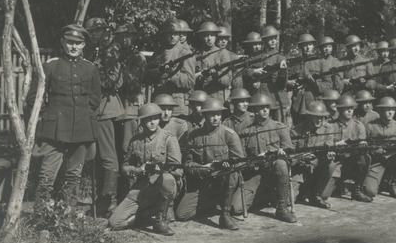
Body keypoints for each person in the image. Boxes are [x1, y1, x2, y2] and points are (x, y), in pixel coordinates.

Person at [26, 24, 101, 214]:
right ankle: (41, 215)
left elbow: (95, 99)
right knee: (47, 174)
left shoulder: (90, 69)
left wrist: (85, 115)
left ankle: (67, 215)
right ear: (62, 42)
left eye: (78, 43)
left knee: (74, 175)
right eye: (70, 42)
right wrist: (49, 114)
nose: (74, 47)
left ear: (84, 45)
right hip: (55, 129)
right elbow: (33, 97)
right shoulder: (50, 65)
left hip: (82, 128)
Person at [109, 103, 182, 235]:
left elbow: (178, 170)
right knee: (115, 223)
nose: (152, 122)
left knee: (167, 178)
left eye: (155, 118)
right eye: (148, 119)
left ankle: (160, 221)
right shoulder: (135, 141)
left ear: (159, 118)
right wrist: (139, 170)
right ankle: (149, 214)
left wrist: (159, 170)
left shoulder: (168, 138)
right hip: (141, 189)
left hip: (162, 188)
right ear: (142, 121)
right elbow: (124, 167)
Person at [175, 98, 244, 230]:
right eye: (212, 114)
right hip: (204, 182)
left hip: (225, 180)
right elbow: (188, 163)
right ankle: (213, 202)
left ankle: (225, 215)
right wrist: (202, 168)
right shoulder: (194, 136)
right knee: (182, 214)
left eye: (218, 114)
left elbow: (239, 162)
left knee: (231, 174)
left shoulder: (229, 135)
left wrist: (228, 166)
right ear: (204, 115)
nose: (215, 118)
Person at [236, 94, 297, 223]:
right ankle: (264, 195)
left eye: (267, 107)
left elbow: (291, 154)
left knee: (281, 163)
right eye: (261, 107)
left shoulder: (280, 127)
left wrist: (283, 154)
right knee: (236, 208)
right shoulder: (246, 131)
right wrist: (255, 160)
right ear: (254, 110)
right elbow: (242, 159)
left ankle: (281, 209)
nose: (265, 110)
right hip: (256, 174)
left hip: (275, 174)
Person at [85, 17, 124, 216]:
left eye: (98, 31)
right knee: (95, 157)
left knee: (108, 157)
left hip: (105, 109)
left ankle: (111, 200)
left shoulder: (110, 52)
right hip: (91, 110)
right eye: (92, 31)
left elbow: (116, 82)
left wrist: (92, 78)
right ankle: (100, 198)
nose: (95, 35)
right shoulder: (90, 51)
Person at [291, 101, 338, 209]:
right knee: (290, 200)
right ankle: (304, 191)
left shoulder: (327, 129)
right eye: (316, 117)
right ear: (309, 116)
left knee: (331, 165)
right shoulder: (297, 130)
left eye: (322, 117)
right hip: (301, 169)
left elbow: (329, 145)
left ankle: (315, 195)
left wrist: (329, 153)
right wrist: (301, 157)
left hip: (318, 168)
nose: (320, 120)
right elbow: (291, 153)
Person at [146, 18, 196, 116]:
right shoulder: (159, 52)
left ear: (180, 34)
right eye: (169, 33)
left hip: (176, 104)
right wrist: (159, 71)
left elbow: (190, 81)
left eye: (175, 33)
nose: (172, 36)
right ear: (164, 34)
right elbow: (147, 76)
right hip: (158, 100)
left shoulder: (185, 53)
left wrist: (172, 74)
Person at [363, 97, 396, 199]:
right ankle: (382, 182)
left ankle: (394, 184)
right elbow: (364, 146)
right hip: (376, 163)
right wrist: (374, 150)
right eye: (387, 109)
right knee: (370, 191)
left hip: (392, 162)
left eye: (393, 110)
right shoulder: (370, 126)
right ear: (380, 110)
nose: (390, 112)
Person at [330, 94, 371, 202]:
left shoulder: (358, 126)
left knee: (365, 158)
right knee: (326, 193)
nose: (349, 111)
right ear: (339, 109)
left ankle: (357, 190)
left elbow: (362, 146)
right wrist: (335, 145)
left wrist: (361, 146)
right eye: (346, 108)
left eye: (351, 108)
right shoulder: (330, 126)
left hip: (351, 163)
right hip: (335, 163)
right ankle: (337, 184)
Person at [113, 24, 146, 152]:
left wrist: (117, 70)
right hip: (116, 105)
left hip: (129, 106)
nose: (124, 40)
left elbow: (134, 83)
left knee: (127, 145)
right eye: (121, 37)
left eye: (127, 36)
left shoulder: (137, 57)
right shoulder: (115, 55)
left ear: (133, 38)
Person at [193, 21, 236, 103]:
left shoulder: (222, 53)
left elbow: (227, 81)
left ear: (216, 36)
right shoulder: (197, 55)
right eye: (206, 35)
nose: (209, 38)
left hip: (216, 97)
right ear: (201, 36)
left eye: (212, 35)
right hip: (199, 97)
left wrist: (216, 75)